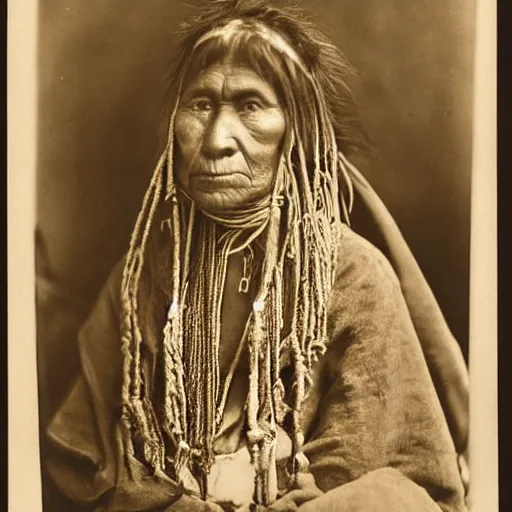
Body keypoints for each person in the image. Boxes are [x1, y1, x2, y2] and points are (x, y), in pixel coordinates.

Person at [44, 1, 468, 510]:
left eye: (250, 106)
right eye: (201, 104)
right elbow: (82, 458)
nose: (218, 139)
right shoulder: (144, 275)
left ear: (297, 130)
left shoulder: (351, 276)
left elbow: (366, 468)